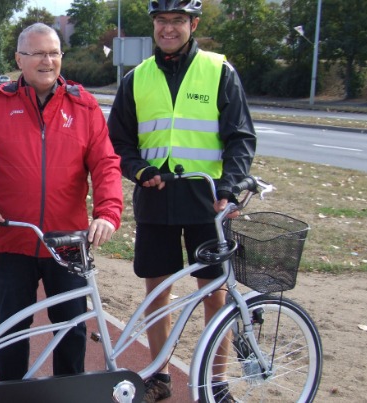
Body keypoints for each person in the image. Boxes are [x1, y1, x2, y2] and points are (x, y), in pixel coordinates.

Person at [0, 23, 123, 381]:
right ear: (19, 59)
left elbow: (106, 164)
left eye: (54, 53)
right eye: (38, 53)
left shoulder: (84, 107)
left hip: (69, 244)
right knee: (12, 329)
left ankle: (67, 392)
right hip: (12, 240)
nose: (47, 61)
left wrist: (107, 212)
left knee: (71, 328)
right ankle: (12, 393)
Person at [107, 0, 256, 401]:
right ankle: (159, 376)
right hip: (156, 199)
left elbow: (241, 137)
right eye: (161, 20)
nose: (168, 28)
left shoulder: (218, 70)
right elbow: (118, 140)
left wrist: (229, 187)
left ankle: (217, 383)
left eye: (177, 20)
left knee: (214, 292)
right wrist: (139, 169)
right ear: (153, 24)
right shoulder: (136, 78)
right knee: (157, 293)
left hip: (207, 202)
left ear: (194, 24)